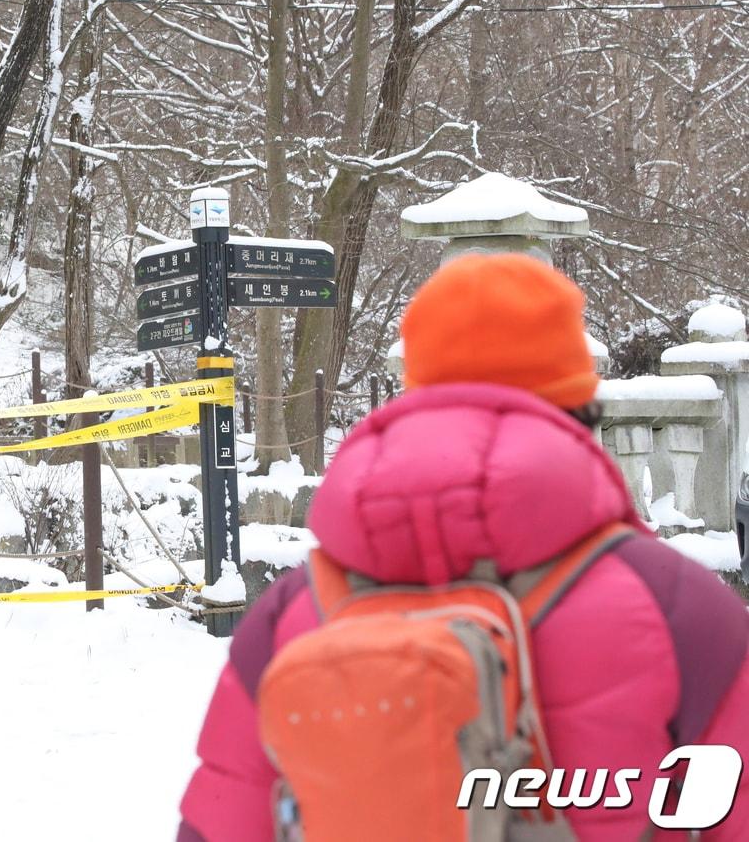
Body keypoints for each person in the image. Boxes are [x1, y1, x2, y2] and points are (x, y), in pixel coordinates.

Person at [177, 253, 749, 841]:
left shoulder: (292, 615)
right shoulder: (675, 607)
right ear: (582, 407)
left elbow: (222, 818)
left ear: (417, 391)